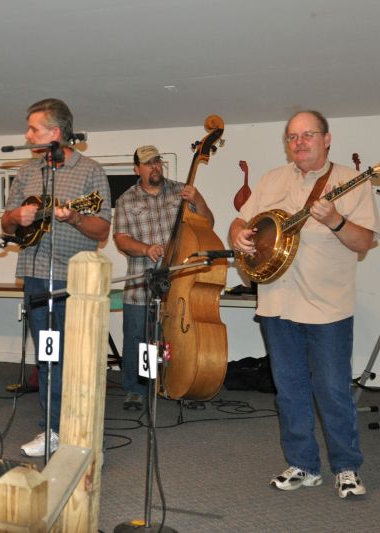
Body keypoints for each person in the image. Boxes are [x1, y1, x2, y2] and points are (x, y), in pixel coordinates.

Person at [230, 110, 380, 499]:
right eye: (293, 137)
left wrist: (335, 221)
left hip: (327, 308)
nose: (299, 142)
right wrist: (239, 236)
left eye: (308, 135)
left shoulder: (350, 181)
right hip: (277, 305)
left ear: (327, 139)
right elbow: (241, 222)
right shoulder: (271, 179)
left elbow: (365, 242)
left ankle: (346, 468)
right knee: (290, 390)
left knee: (332, 390)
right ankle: (304, 465)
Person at [1, 98, 111, 457]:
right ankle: (52, 428)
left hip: (73, 280)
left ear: (55, 133)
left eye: (33, 128)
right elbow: (6, 223)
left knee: (73, 358)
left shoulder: (90, 171)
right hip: (35, 276)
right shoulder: (27, 171)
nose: (27, 134)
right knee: (47, 355)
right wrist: (18, 216)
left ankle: (76, 428)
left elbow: (102, 230)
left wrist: (74, 217)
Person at [113, 145, 213, 410]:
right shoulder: (126, 200)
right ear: (137, 169)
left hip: (178, 283)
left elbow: (207, 225)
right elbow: (121, 239)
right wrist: (146, 249)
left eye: (157, 161)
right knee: (137, 338)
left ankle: (180, 384)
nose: (154, 166)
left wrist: (199, 200)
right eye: (148, 163)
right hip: (141, 283)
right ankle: (136, 390)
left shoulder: (183, 192)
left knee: (174, 339)